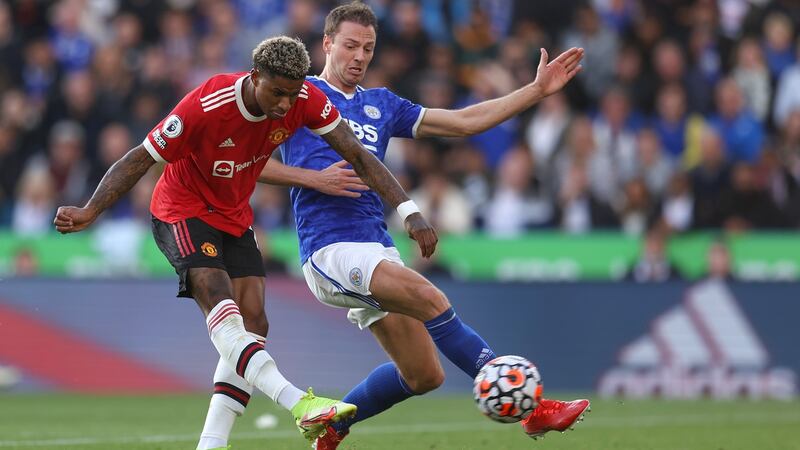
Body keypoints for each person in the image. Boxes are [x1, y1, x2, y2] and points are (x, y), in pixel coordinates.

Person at [203, 3, 588, 449]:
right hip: (329, 248)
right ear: (326, 44)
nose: (359, 56)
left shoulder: (381, 104)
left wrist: (535, 91)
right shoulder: (297, 95)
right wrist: (313, 178)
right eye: (349, 45)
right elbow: (237, 157)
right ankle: (531, 408)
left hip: (377, 248)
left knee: (424, 374)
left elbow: (463, 123)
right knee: (430, 296)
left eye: (367, 47)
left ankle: (331, 427)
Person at [52, 35, 439, 448]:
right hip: (182, 209)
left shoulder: (304, 98)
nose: (285, 106)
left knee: (254, 322)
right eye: (277, 92)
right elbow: (140, 157)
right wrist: (91, 210)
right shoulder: (206, 105)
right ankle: (299, 404)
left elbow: (360, 156)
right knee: (222, 304)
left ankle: (211, 444)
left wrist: (408, 211)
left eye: (292, 95)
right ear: (255, 77)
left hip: (234, 216)